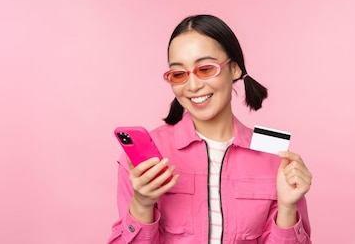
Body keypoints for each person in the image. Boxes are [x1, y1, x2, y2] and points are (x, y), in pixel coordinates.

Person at [107, 14, 312, 244]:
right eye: (179, 74)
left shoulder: (274, 153)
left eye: (205, 69)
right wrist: (142, 204)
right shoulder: (143, 161)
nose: (193, 86)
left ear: (234, 68)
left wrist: (287, 208)